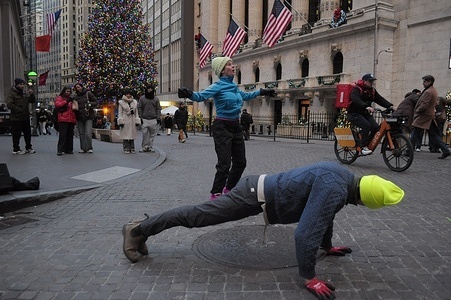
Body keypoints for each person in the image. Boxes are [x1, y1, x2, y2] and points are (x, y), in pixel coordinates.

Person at [121, 161, 405, 299]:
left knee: (197, 216)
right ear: (365, 201)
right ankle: (138, 229)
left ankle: (143, 228)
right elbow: (305, 233)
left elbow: (325, 217)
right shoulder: (336, 190)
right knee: (197, 217)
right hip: (253, 194)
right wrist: (309, 277)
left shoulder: (344, 178)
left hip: (259, 189)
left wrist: (327, 247)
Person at [178, 56, 275, 200]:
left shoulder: (234, 87)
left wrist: (262, 92)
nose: (233, 66)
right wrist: (189, 93)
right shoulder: (217, 86)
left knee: (241, 162)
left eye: (232, 64)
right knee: (224, 164)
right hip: (222, 126)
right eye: (229, 65)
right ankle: (216, 194)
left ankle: (228, 189)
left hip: (236, 126)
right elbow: (200, 96)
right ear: (222, 70)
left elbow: (246, 96)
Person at [347, 73, 394, 155]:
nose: (372, 83)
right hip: (354, 113)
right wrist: (366, 107)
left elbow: (380, 99)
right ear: (364, 81)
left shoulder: (372, 91)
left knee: (376, 128)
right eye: (370, 81)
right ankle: (362, 147)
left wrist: (390, 106)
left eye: (372, 81)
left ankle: (367, 143)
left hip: (365, 114)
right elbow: (356, 99)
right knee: (366, 125)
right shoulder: (357, 89)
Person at [411, 75, 450, 159]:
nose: (423, 83)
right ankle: (446, 150)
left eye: (424, 81)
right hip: (429, 115)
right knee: (434, 134)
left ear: (429, 82)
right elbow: (435, 103)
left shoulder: (428, 91)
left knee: (415, 131)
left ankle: (408, 150)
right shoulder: (433, 90)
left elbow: (424, 105)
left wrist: (417, 110)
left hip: (424, 115)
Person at [5, 78, 36, 155]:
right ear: (17, 85)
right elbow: (9, 104)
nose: (22, 86)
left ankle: (28, 147)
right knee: (16, 134)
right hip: (16, 117)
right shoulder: (12, 93)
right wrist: (19, 110)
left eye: (23, 84)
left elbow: (32, 101)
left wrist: (31, 94)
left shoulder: (24, 93)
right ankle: (16, 149)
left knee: (27, 133)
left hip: (25, 117)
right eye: (20, 84)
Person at [73, 83, 98, 153]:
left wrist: (90, 104)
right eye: (76, 87)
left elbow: (96, 102)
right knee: (81, 133)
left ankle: (89, 147)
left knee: (88, 132)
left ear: (81, 87)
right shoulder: (75, 97)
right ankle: (83, 148)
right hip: (79, 117)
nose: (78, 88)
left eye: (78, 87)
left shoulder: (88, 94)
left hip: (88, 116)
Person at [137, 84, 161, 153]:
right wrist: (140, 117)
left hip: (153, 118)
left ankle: (150, 147)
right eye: (149, 88)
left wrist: (158, 117)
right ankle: (144, 146)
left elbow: (158, 108)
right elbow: (139, 108)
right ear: (146, 89)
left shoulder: (156, 99)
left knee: (152, 134)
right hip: (145, 118)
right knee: (144, 134)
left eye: (151, 89)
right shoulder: (142, 98)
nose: (150, 90)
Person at [54, 86, 77, 156]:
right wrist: (66, 101)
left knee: (70, 135)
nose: (68, 93)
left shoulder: (72, 99)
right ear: (64, 91)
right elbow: (57, 105)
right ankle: (60, 150)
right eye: (67, 91)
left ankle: (69, 149)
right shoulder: (60, 97)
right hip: (63, 119)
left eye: (69, 91)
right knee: (63, 135)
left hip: (71, 119)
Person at [118, 89, 141, 154]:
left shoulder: (134, 102)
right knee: (125, 135)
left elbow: (136, 112)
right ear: (125, 95)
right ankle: (126, 148)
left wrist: (137, 120)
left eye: (129, 94)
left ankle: (132, 147)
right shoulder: (121, 102)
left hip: (133, 119)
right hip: (125, 119)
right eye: (127, 94)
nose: (128, 95)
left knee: (132, 134)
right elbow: (120, 112)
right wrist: (120, 120)